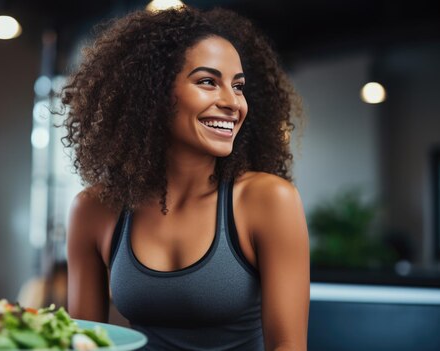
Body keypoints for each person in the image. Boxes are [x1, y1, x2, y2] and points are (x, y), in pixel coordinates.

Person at [61, 6, 309, 351]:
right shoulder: (93, 209)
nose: (232, 102)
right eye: (208, 82)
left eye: (238, 86)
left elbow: (288, 345)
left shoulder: (268, 200)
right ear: (153, 93)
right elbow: (82, 343)